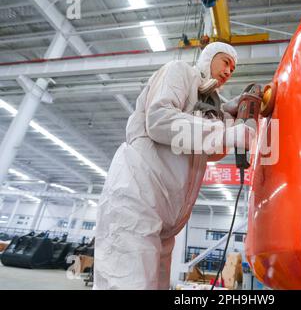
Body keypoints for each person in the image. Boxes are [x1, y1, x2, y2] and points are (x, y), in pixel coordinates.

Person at [93, 42, 255, 290]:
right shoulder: (180, 71)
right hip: (136, 201)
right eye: (225, 62)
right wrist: (223, 131)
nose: (228, 71)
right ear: (208, 58)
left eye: (233, 69)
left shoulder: (209, 104)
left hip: (166, 220)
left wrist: (228, 120)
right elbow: (160, 120)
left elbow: (208, 152)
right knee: (129, 283)